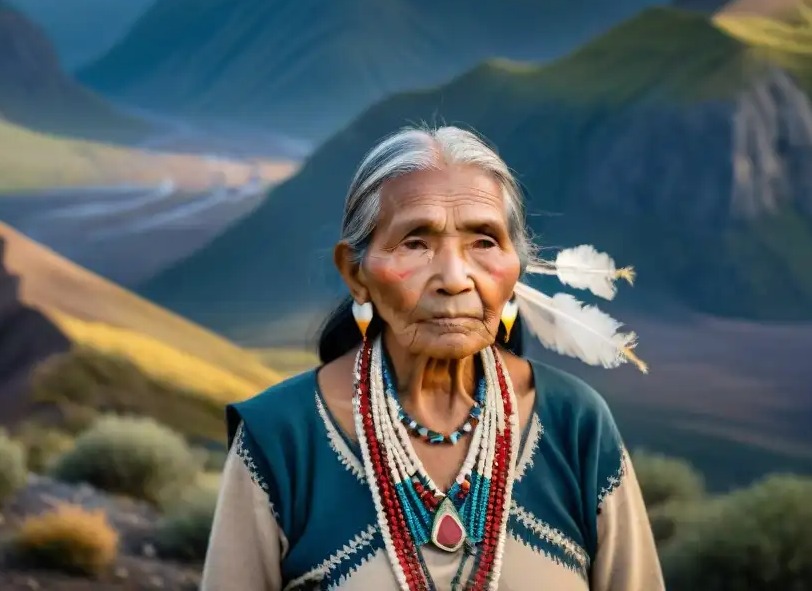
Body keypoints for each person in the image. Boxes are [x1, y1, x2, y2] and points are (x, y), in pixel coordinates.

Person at [201, 125, 665, 590]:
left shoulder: (575, 426)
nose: (454, 278)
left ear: (516, 268)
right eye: (415, 242)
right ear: (355, 272)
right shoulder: (280, 439)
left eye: (484, 241)